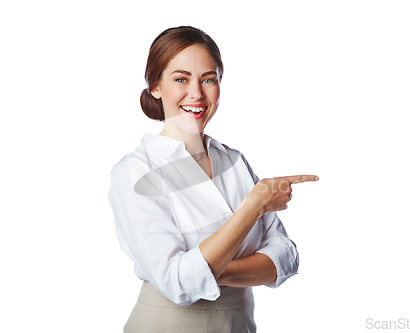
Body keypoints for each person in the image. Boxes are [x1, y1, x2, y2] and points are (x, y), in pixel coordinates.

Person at [107, 26, 319, 333]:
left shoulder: (234, 161)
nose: (197, 93)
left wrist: (208, 268)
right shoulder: (134, 172)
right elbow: (178, 284)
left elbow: (285, 257)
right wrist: (253, 207)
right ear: (155, 86)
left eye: (208, 79)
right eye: (181, 79)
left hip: (239, 323)